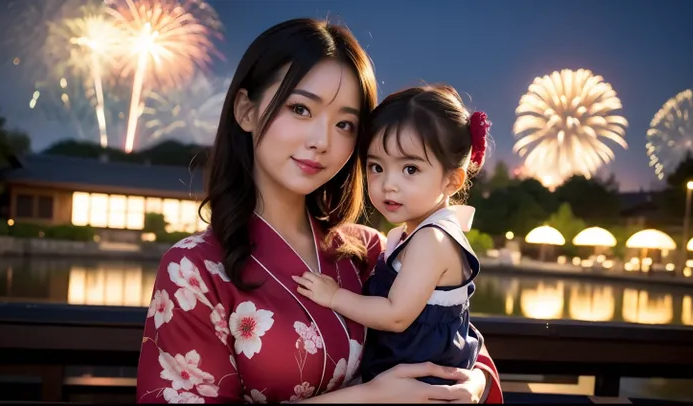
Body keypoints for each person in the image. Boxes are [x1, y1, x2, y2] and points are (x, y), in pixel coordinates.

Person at [135, 18, 503, 404]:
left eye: (345, 123)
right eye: (300, 109)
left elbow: (453, 337)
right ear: (246, 110)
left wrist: (474, 384)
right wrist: (368, 398)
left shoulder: (368, 251)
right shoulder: (193, 270)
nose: (322, 141)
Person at [294, 84, 490, 386]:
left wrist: (334, 296)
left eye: (410, 169)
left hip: (421, 386)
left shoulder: (432, 239)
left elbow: (396, 314)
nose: (388, 184)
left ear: (452, 181)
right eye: (376, 167)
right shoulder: (414, 233)